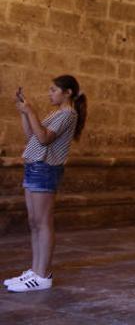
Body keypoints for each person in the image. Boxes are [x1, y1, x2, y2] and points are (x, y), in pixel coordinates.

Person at [5, 75, 87, 292]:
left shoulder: (68, 114)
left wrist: (31, 111)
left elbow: (44, 139)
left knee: (43, 223)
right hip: (34, 167)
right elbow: (32, 135)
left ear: (67, 92)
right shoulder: (56, 113)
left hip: (45, 168)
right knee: (34, 222)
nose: (50, 94)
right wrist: (24, 112)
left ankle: (43, 275)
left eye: (53, 90)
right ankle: (35, 271)